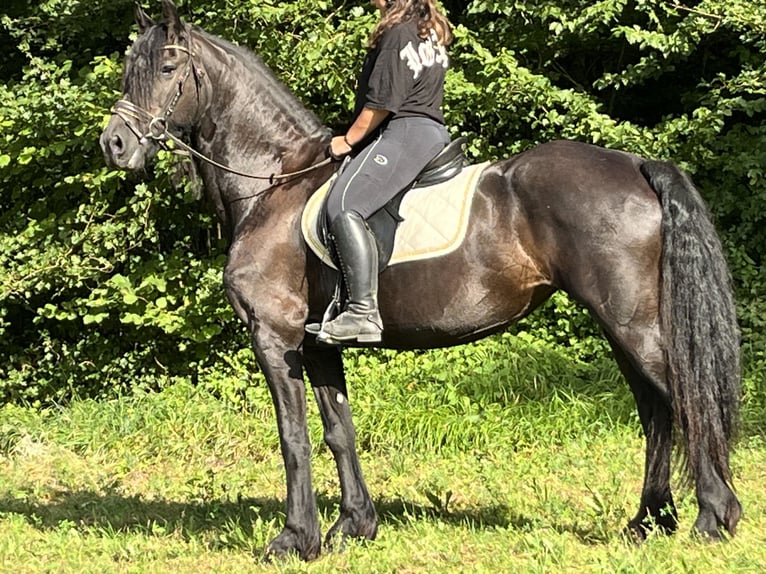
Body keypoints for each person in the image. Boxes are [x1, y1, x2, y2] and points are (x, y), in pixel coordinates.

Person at [309, 0, 453, 344]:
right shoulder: (426, 28)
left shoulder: (398, 31)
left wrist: (348, 140)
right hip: (430, 131)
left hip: (405, 131)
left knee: (343, 206)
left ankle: (362, 313)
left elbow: (383, 102)